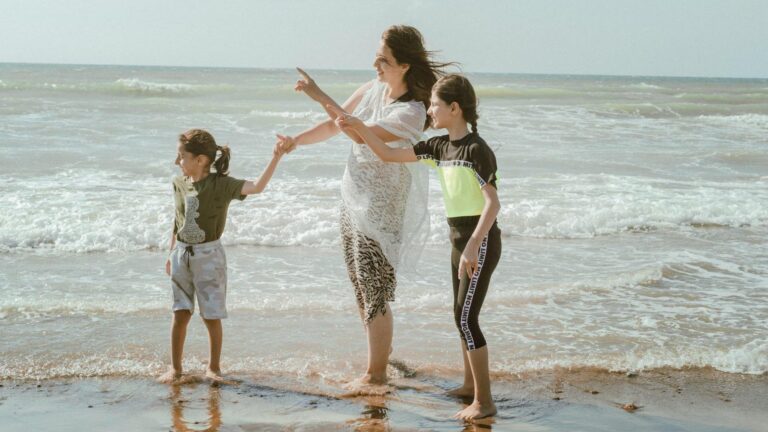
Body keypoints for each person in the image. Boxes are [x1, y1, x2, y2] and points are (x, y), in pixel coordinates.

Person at [277, 25, 451, 389]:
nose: (375, 64)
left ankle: (376, 375)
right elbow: (333, 125)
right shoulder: (372, 89)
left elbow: (358, 131)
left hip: (381, 211)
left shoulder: (412, 112)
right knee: (361, 286)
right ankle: (381, 359)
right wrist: (296, 140)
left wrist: (317, 93)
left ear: (404, 65)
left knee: (376, 290)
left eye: (383, 59)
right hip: (352, 200)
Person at [332, 74, 501, 420]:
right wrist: (360, 127)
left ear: (454, 108)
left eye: (436, 105)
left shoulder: (476, 150)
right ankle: (470, 387)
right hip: (460, 240)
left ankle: (484, 402)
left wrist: (472, 245)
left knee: (467, 317)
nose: (430, 110)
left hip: (479, 240)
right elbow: (387, 154)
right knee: (460, 315)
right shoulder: (440, 147)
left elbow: (492, 204)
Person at [157, 129, 284, 384]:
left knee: (210, 315)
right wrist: (171, 253)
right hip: (182, 254)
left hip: (209, 256)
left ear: (201, 160)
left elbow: (257, 187)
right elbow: (177, 220)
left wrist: (276, 157)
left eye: (181, 156)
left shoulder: (221, 185)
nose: (176, 161)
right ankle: (175, 368)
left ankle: (214, 368)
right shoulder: (178, 183)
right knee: (180, 313)